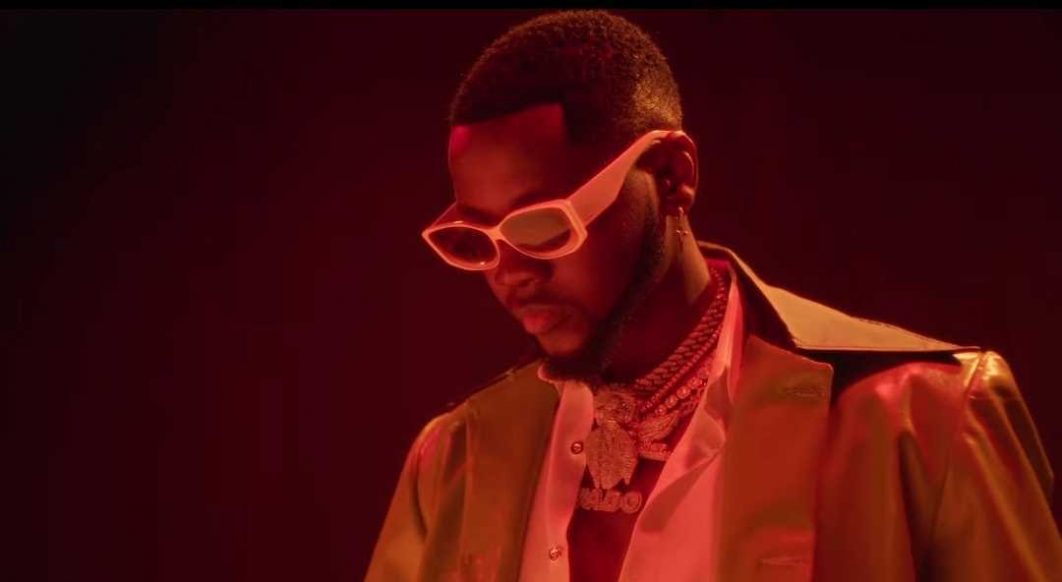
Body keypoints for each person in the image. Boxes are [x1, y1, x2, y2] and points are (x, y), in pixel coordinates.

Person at [367, 10, 1060, 581]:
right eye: (475, 241)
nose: (510, 272)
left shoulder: (921, 417)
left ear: (671, 176)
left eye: (544, 226)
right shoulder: (456, 459)